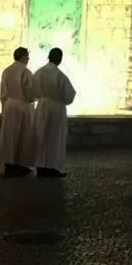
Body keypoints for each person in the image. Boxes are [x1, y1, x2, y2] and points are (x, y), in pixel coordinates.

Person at [33, 48, 76, 178]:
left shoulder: (39, 72)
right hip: (56, 108)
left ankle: (40, 165)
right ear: (59, 59)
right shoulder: (59, 75)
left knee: (41, 135)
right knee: (54, 136)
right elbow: (69, 95)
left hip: (42, 106)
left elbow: (31, 89)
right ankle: (52, 167)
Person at [0, 47, 35, 177]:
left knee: (9, 135)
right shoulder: (26, 72)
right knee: (23, 135)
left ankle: (9, 162)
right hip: (22, 105)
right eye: (27, 56)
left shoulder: (6, 71)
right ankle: (20, 163)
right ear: (23, 57)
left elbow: (2, 91)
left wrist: (4, 106)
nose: (28, 59)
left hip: (9, 105)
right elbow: (30, 91)